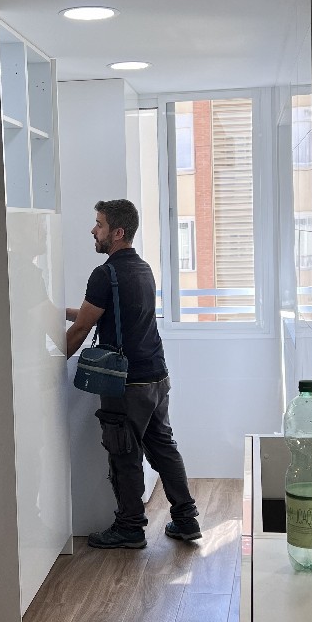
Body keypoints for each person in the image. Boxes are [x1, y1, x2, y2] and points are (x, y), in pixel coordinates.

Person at [65, 199, 201, 549]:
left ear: (118, 232)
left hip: (126, 383)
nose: (93, 230)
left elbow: (82, 329)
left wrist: (50, 361)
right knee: (163, 448)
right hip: (156, 376)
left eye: (99, 224)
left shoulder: (104, 274)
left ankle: (129, 528)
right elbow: (103, 313)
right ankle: (186, 520)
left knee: (124, 454)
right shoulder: (143, 269)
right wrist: (59, 312)